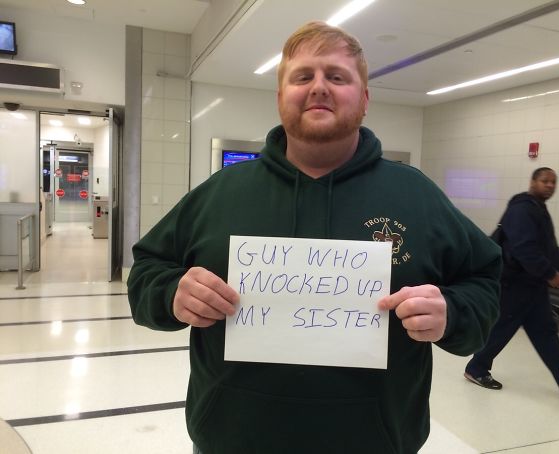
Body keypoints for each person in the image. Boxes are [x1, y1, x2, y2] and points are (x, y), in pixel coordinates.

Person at [128, 21, 501, 454]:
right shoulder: (220, 194)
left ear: (364, 99)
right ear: (281, 96)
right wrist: (173, 293)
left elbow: (484, 282)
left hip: (375, 443)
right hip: (232, 440)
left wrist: (451, 313)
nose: (319, 87)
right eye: (303, 76)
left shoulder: (416, 197)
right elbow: (145, 273)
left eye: (337, 77)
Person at [464, 167, 559, 397]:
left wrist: (547, 274)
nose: (550, 185)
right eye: (545, 181)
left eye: (553, 182)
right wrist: (550, 274)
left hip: (532, 284)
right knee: (503, 327)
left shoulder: (537, 208)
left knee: (545, 332)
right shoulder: (522, 209)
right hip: (516, 282)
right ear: (533, 182)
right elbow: (524, 248)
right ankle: (476, 367)